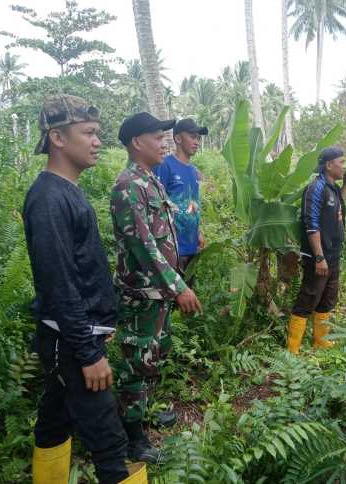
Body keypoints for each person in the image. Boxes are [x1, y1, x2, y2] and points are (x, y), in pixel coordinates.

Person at [23, 95, 143, 484]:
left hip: (71, 336)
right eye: (88, 133)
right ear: (57, 138)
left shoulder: (65, 191)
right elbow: (58, 284)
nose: (97, 141)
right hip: (72, 340)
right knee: (109, 442)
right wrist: (89, 352)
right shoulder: (48, 199)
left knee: (56, 419)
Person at [110, 112, 203, 463]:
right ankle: (133, 438)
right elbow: (143, 246)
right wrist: (179, 286)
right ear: (137, 142)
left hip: (158, 292)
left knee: (154, 357)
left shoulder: (150, 180)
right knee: (138, 362)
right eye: (157, 136)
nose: (165, 142)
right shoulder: (128, 186)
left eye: (166, 136)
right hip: (143, 293)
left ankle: (144, 413)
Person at [286, 147, 346, 355]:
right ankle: (292, 349)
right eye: (341, 162)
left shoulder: (332, 188)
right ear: (329, 165)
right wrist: (319, 256)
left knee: (327, 298)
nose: (344, 166)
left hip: (333, 254)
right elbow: (311, 223)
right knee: (309, 296)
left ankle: (321, 341)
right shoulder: (316, 188)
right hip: (319, 257)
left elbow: (335, 206)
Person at [154, 118, 207, 280]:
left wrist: (198, 231)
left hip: (192, 246)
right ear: (177, 139)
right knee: (174, 298)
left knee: (189, 294)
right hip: (173, 248)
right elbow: (157, 204)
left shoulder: (192, 171)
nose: (196, 141)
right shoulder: (165, 165)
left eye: (198, 137)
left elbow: (194, 203)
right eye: (192, 136)